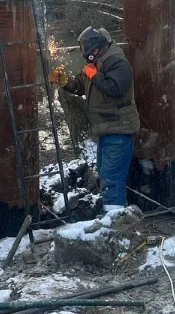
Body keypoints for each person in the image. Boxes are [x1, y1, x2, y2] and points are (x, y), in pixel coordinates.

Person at [50, 26, 139, 211]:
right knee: (105, 174)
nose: (82, 51)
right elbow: (80, 86)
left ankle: (115, 221)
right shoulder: (96, 63)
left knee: (111, 178)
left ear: (95, 47)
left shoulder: (118, 62)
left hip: (118, 128)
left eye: (83, 48)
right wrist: (64, 82)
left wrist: (95, 75)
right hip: (105, 129)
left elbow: (116, 88)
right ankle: (114, 215)